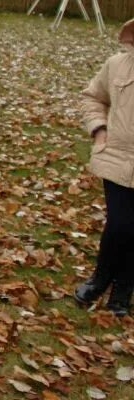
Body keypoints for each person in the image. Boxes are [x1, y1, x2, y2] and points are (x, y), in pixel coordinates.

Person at [75, 17, 134, 316]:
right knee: (121, 223)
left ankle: (123, 290)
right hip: (117, 158)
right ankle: (100, 278)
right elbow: (92, 98)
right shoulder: (117, 65)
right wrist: (99, 130)